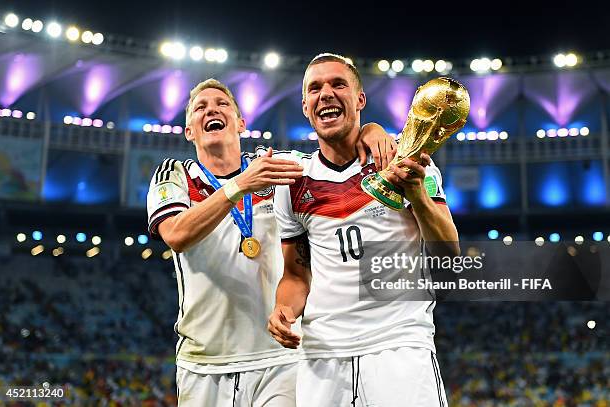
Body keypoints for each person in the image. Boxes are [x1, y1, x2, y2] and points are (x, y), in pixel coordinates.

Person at [146, 78, 396, 406]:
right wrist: (238, 186)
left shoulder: (276, 167)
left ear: (240, 122)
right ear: (189, 130)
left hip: (280, 359)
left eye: (222, 104)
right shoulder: (174, 174)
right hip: (204, 363)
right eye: (200, 108)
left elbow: (336, 156)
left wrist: (369, 131)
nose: (211, 110)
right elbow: (176, 235)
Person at [268, 53, 459, 406]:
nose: (325, 93)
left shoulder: (407, 160)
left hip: (398, 343)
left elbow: (449, 254)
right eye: (315, 88)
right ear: (306, 107)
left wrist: (416, 193)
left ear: (360, 100)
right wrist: (284, 308)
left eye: (338, 84)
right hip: (322, 353)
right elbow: (296, 274)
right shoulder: (292, 183)